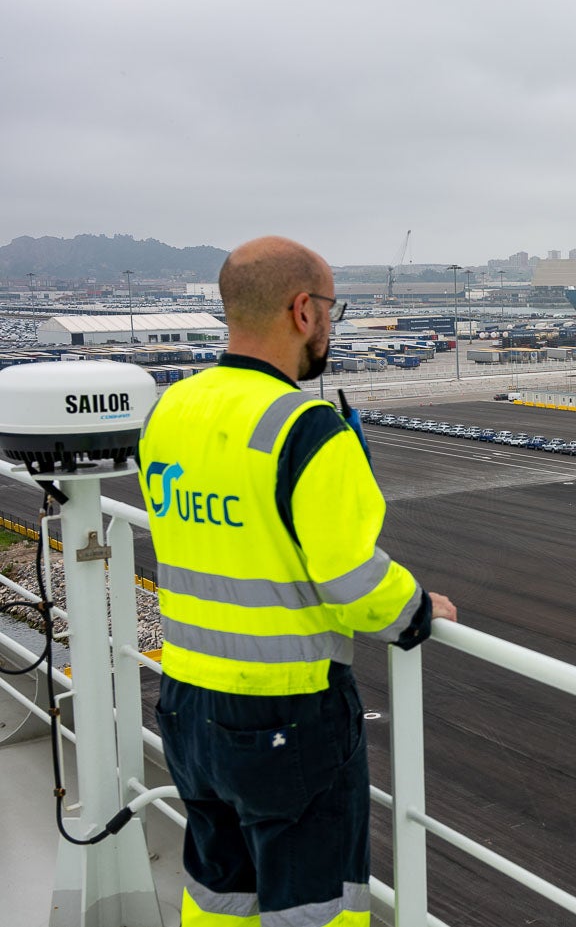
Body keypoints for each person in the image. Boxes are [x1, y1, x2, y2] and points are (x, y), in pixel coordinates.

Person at [139, 235, 457, 927]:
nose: (331, 327)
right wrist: (415, 610)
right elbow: (351, 577)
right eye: (333, 311)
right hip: (286, 713)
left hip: (186, 700)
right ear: (303, 310)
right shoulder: (306, 428)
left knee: (220, 891)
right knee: (316, 908)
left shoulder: (170, 410)